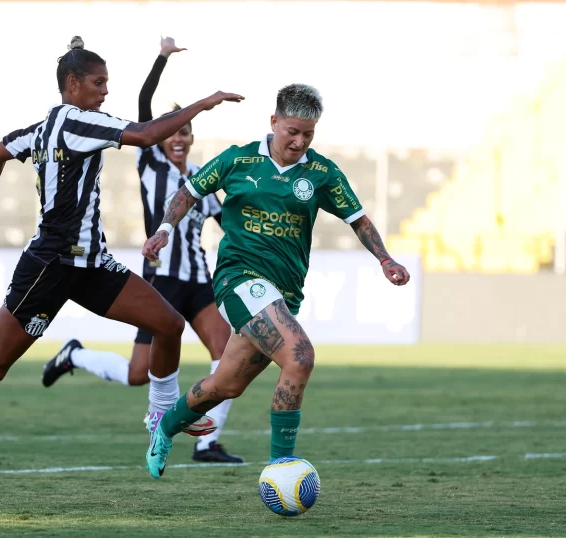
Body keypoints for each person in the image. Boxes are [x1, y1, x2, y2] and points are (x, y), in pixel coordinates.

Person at [0, 36, 244, 483]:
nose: (105, 91)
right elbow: (145, 135)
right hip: (50, 266)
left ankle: (160, 418)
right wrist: (204, 102)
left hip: (90, 264)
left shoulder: (47, 126)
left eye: (107, 83)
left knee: (168, 324)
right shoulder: (78, 122)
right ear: (73, 83)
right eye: (98, 82)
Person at [140, 83, 411, 478]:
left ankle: (164, 427)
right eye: (293, 132)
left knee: (226, 385)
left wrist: (385, 259)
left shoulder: (321, 173)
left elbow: (359, 220)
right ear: (274, 122)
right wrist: (165, 228)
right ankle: (282, 467)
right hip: (238, 278)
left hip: (284, 293)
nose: (300, 141)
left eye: (308, 134)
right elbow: (189, 192)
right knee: (300, 356)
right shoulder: (238, 160)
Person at [40, 37, 242, 464]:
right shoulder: (151, 163)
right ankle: (75, 354)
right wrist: (162, 58)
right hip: (162, 281)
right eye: (174, 132)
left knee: (227, 356)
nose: (179, 138)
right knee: (137, 374)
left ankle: (207, 444)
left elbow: (231, 229)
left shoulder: (202, 183)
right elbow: (145, 103)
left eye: (185, 132)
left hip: (198, 282)